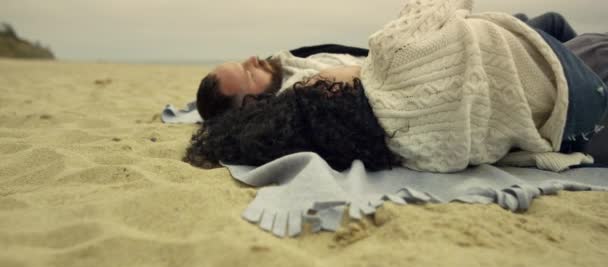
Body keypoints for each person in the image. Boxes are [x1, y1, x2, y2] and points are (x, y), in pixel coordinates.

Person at [186, 0, 607, 172]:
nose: (253, 60)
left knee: (556, 28)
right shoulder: (385, 56)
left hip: (562, 122)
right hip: (569, 82)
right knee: (592, 45)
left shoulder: (396, 148)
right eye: (248, 74)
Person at [196, 44, 368, 120]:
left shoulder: (283, 61)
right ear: (250, 107)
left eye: (243, 63)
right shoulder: (304, 97)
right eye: (249, 74)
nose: (253, 59)